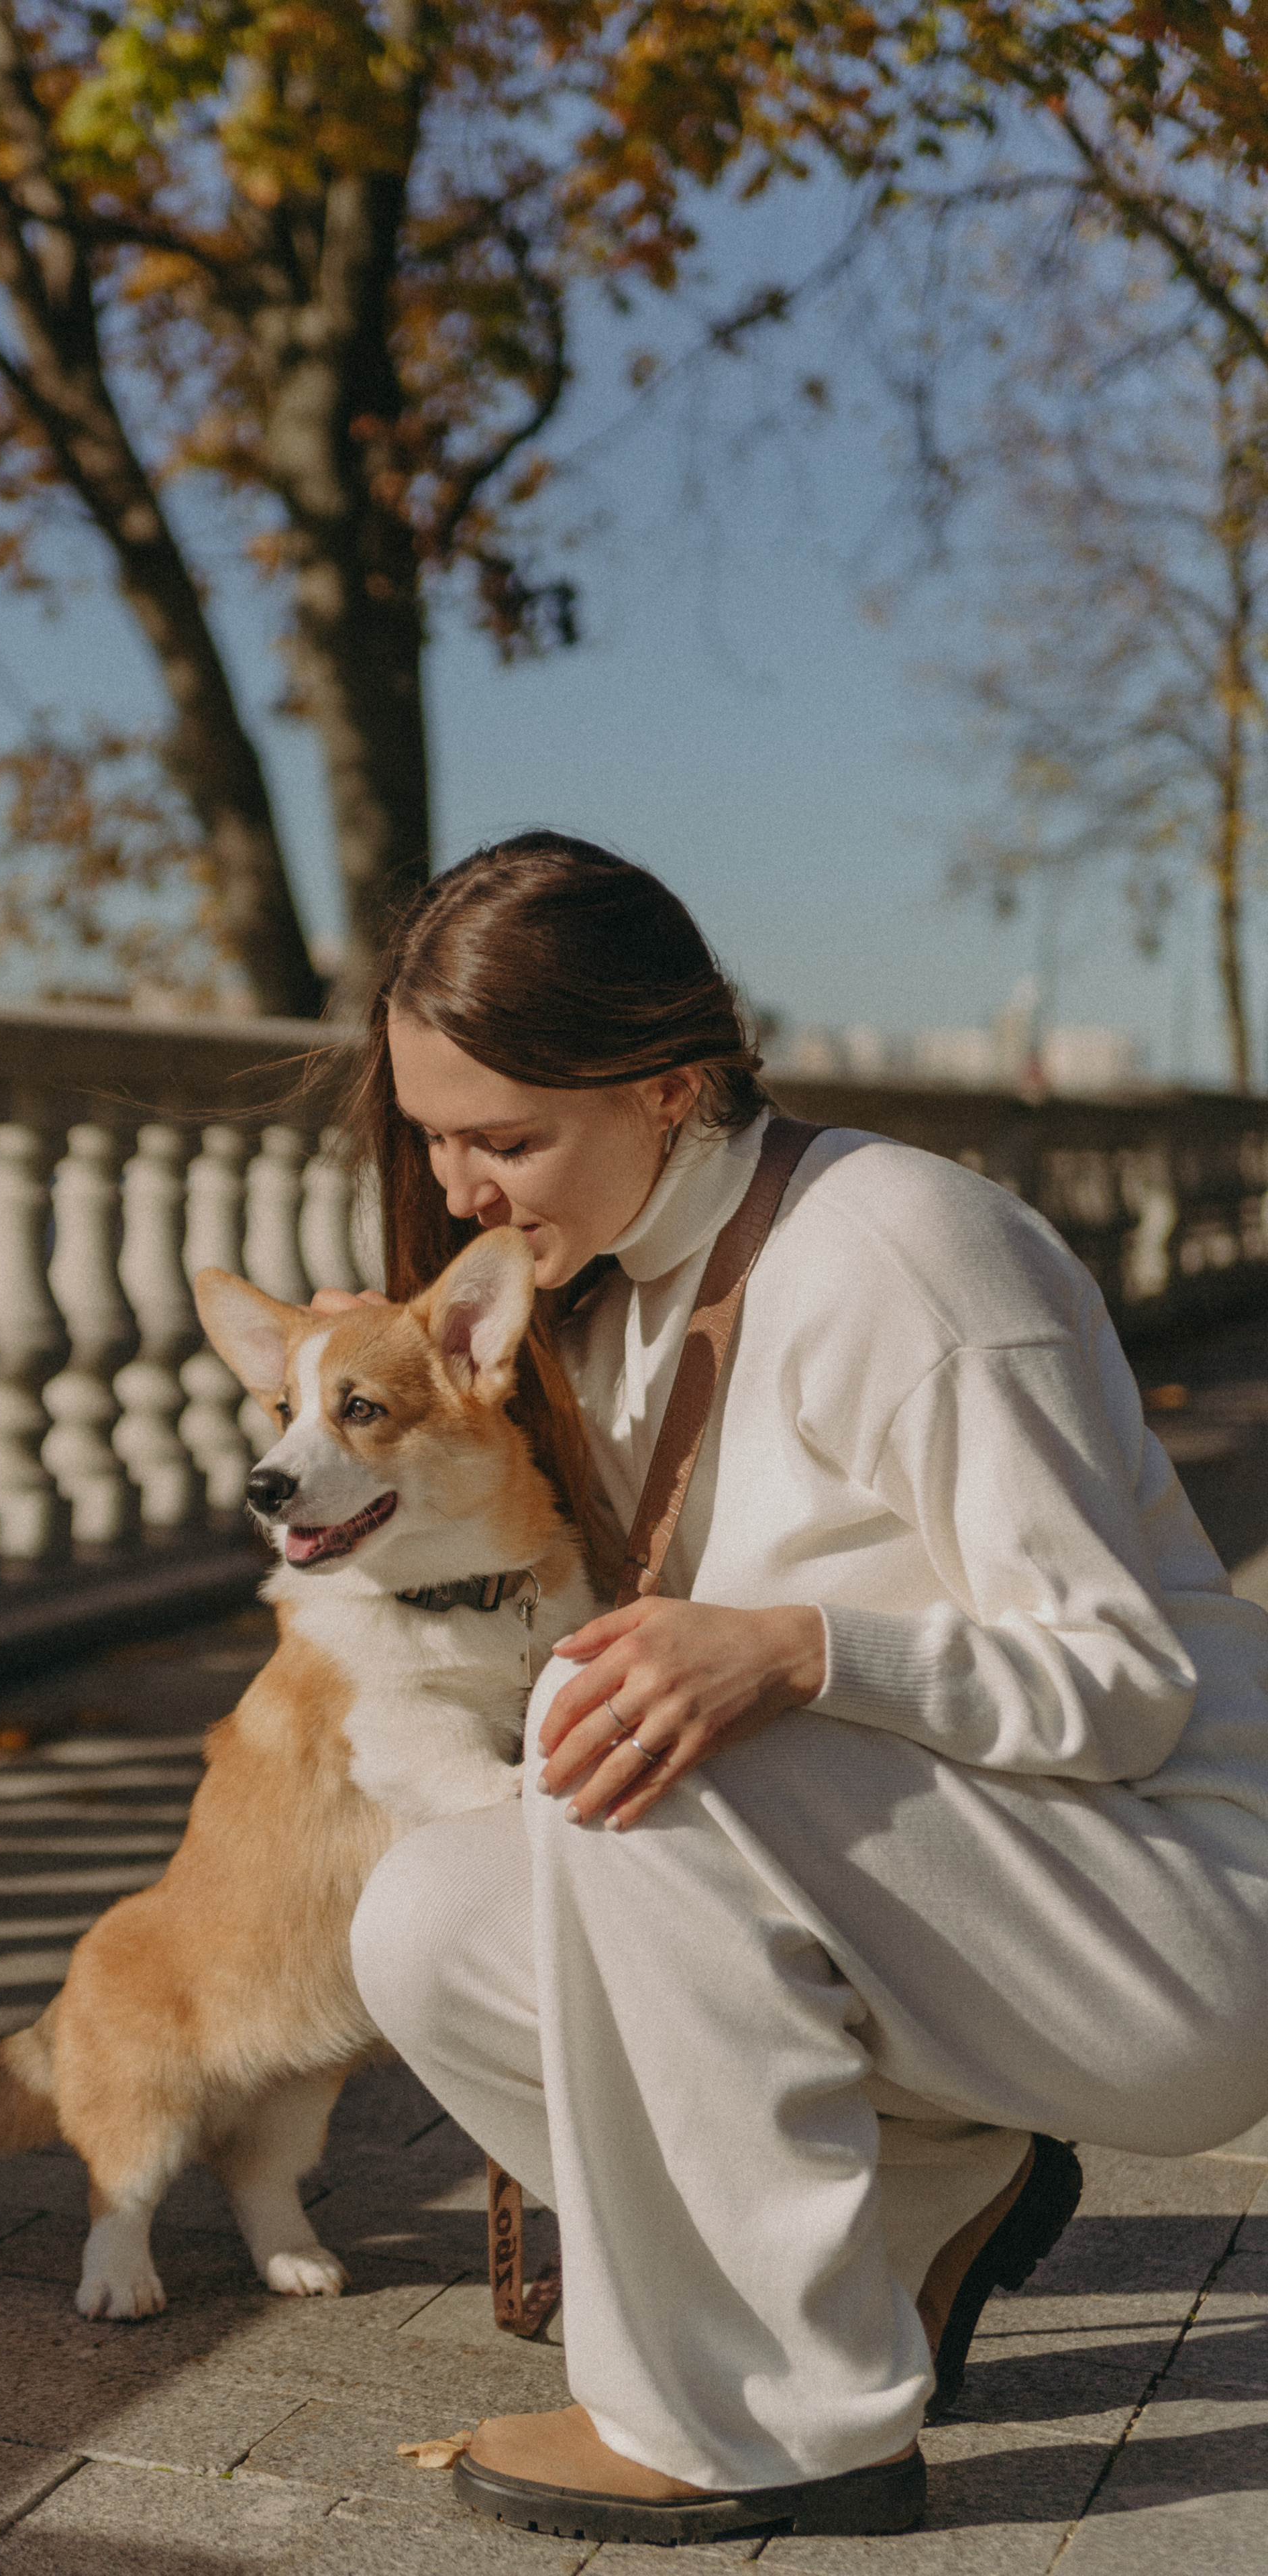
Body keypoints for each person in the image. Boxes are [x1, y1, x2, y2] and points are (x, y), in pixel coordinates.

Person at [323, 833, 1268, 2548]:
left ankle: (756, 2421)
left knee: (626, 1743)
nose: (459, 1190)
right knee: (426, 1917)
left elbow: (1124, 1688)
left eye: (504, 1139)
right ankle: (914, 2204)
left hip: (1168, 1923)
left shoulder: (899, 1248)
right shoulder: (608, 1308)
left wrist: (798, 1647)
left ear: (672, 1087)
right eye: (434, 1138)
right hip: (952, 1904)